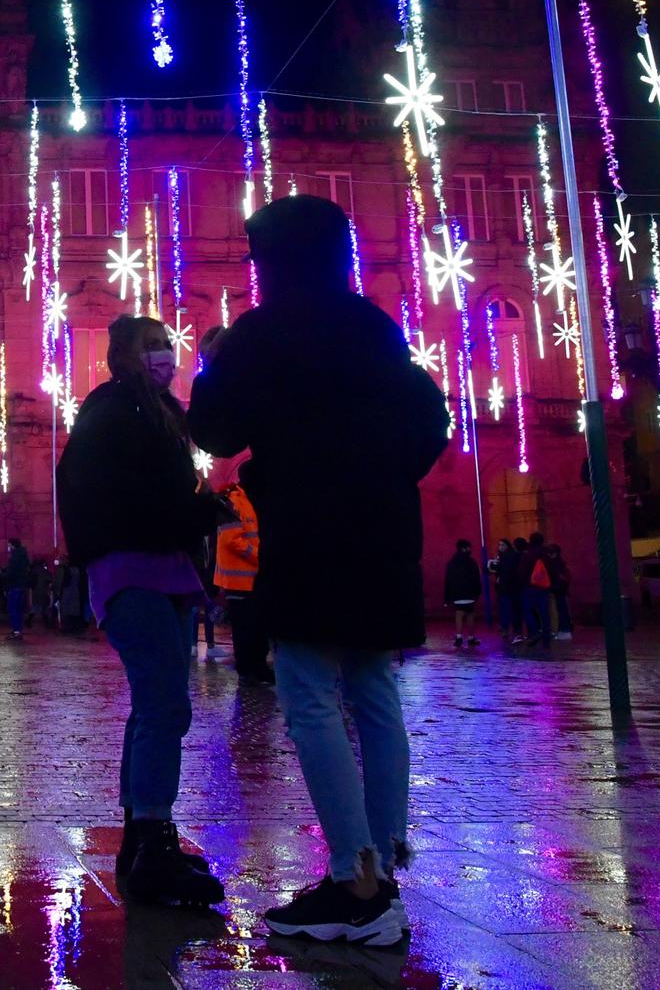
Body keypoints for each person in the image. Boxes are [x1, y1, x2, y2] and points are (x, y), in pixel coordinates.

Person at [190, 194, 448, 945]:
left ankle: (354, 880)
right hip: (385, 530)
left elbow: (215, 428)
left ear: (274, 260)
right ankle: (380, 870)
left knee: (306, 692)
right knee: (373, 690)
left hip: (309, 530)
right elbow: (430, 417)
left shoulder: (264, 332)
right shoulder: (375, 324)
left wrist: (212, 365)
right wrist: (388, 475)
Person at [57, 313, 226, 908]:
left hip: (165, 570)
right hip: (131, 569)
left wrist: (214, 368)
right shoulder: (112, 413)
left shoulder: (160, 413)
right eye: (152, 347)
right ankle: (153, 839)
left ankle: (141, 836)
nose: (164, 356)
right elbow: (136, 501)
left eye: (168, 346)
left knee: (155, 706)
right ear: (125, 354)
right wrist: (201, 513)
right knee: (164, 705)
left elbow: (209, 437)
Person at [215, 478, 269, 682]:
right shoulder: (233, 501)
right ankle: (247, 671)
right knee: (244, 628)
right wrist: (260, 555)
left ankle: (258, 667)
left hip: (254, 578)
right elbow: (232, 540)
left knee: (257, 626)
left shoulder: (251, 500)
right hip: (238, 580)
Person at [443, 540, 482, 650]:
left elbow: (448, 580)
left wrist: (447, 597)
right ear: (465, 548)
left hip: (456, 594)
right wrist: (478, 592)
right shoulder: (471, 562)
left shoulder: (451, 563)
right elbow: (476, 578)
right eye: (469, 548)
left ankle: (459, 637)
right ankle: (470, 637)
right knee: (470, 614)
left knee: (459, 614)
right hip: (470, 593)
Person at [521, 533, 553, 655]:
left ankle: (535, 631)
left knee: (527, 611)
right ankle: (546, 641)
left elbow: (522, 572)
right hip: (543, 587)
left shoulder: (527, 555)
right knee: (545, 614)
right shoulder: (546, 555)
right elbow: (551, 570)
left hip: (529, 587)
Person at [494, 538, 524, 647]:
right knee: (506, 609)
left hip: (509, 587)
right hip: (505, 587)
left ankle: (513, 630)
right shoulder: (500, 557)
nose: (500, 547)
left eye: (502, 545)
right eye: (499, 545)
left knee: (511, 609)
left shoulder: (511, 557)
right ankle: (507, 629)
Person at [2, 537, 32, 639]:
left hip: (14, 585)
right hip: (21, 586)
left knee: (13, 609)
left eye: (9, 545)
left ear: (12, 545)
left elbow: (11, 573)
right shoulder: (23, 556)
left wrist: (4, 575)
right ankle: (18, 630)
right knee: (18, 609)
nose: (8, 547)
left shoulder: (14, 557)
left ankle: (16, 631)